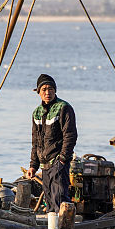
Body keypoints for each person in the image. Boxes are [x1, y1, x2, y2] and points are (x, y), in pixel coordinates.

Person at [27, 73, 77, 213]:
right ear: (38, 92)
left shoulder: (64, 108)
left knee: (59, 200)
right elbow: (35, 141)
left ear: (55, 90)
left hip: (58, 162)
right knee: (49, 203)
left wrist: (62, 159)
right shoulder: (36, 113)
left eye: (50, 89)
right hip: (44, 165)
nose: (47, 92)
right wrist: (33, 166)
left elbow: (70, 136)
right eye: (44, 89)